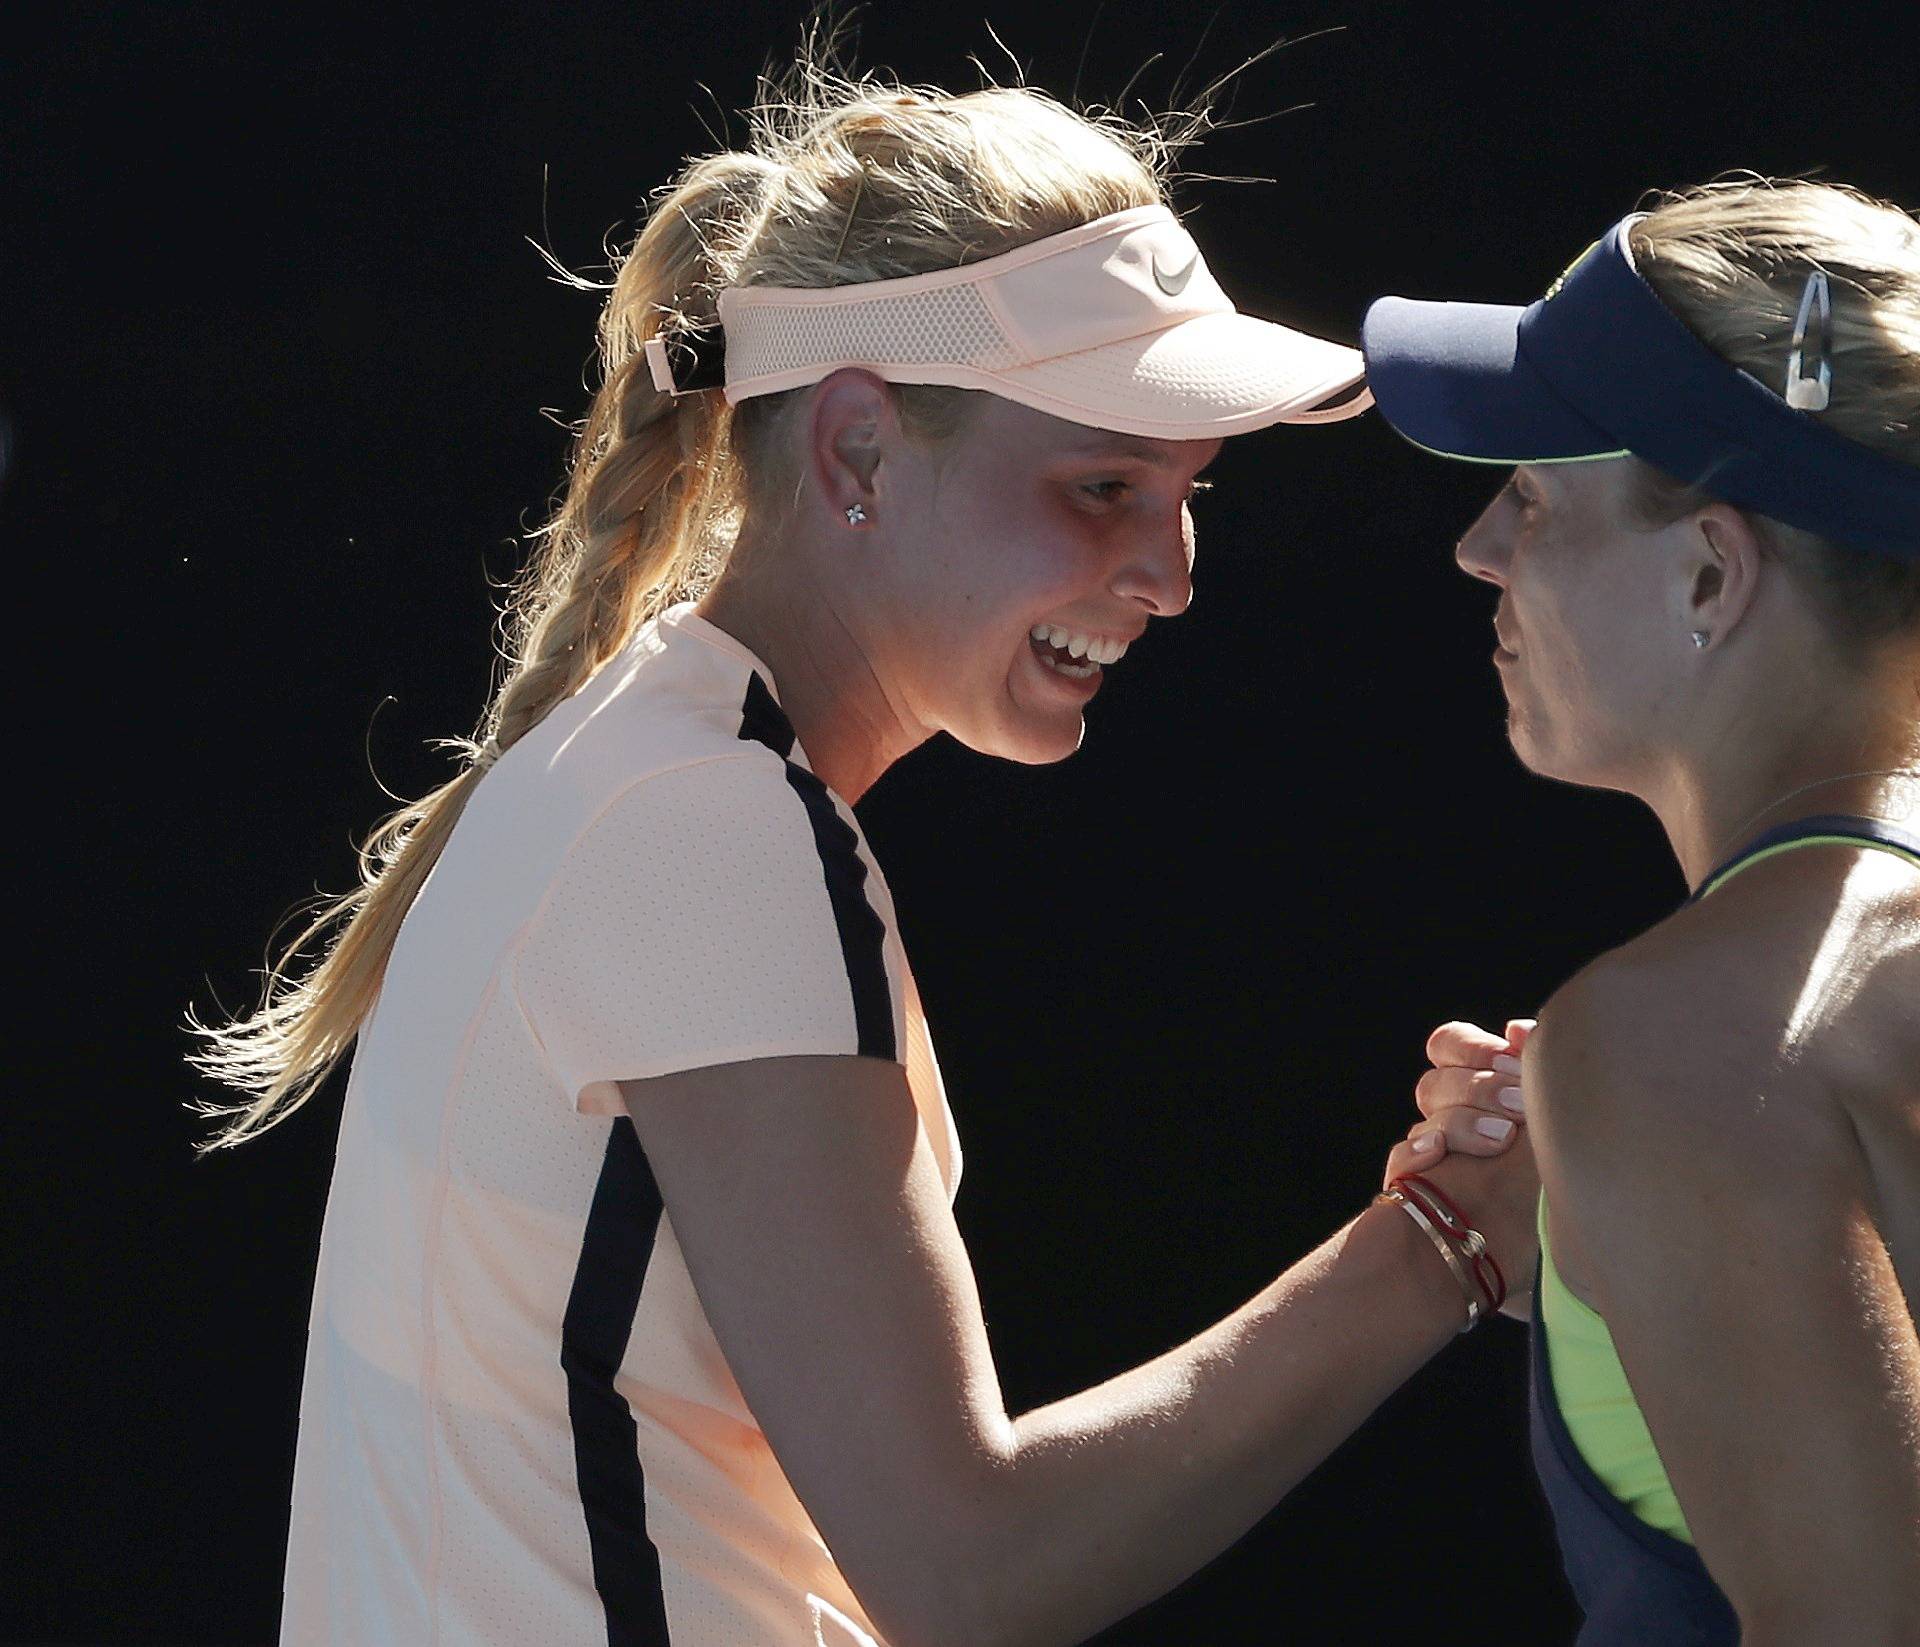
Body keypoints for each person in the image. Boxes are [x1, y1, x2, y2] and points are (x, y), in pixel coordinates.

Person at [190, 63, 1539, 1647]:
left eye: (1189, 496)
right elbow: (970, 1568)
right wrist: (1443, 1247)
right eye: (1103, 486)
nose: (1170, 574)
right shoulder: (704, 824)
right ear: (854, 454)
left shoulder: (660, 772)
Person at [1361, 177, 1920, 1644]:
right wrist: (1619, 1258)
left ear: (1710, 571)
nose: (1479, 545)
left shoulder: (1675, 1048)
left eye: (1535, 491)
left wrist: (1653, 1110)